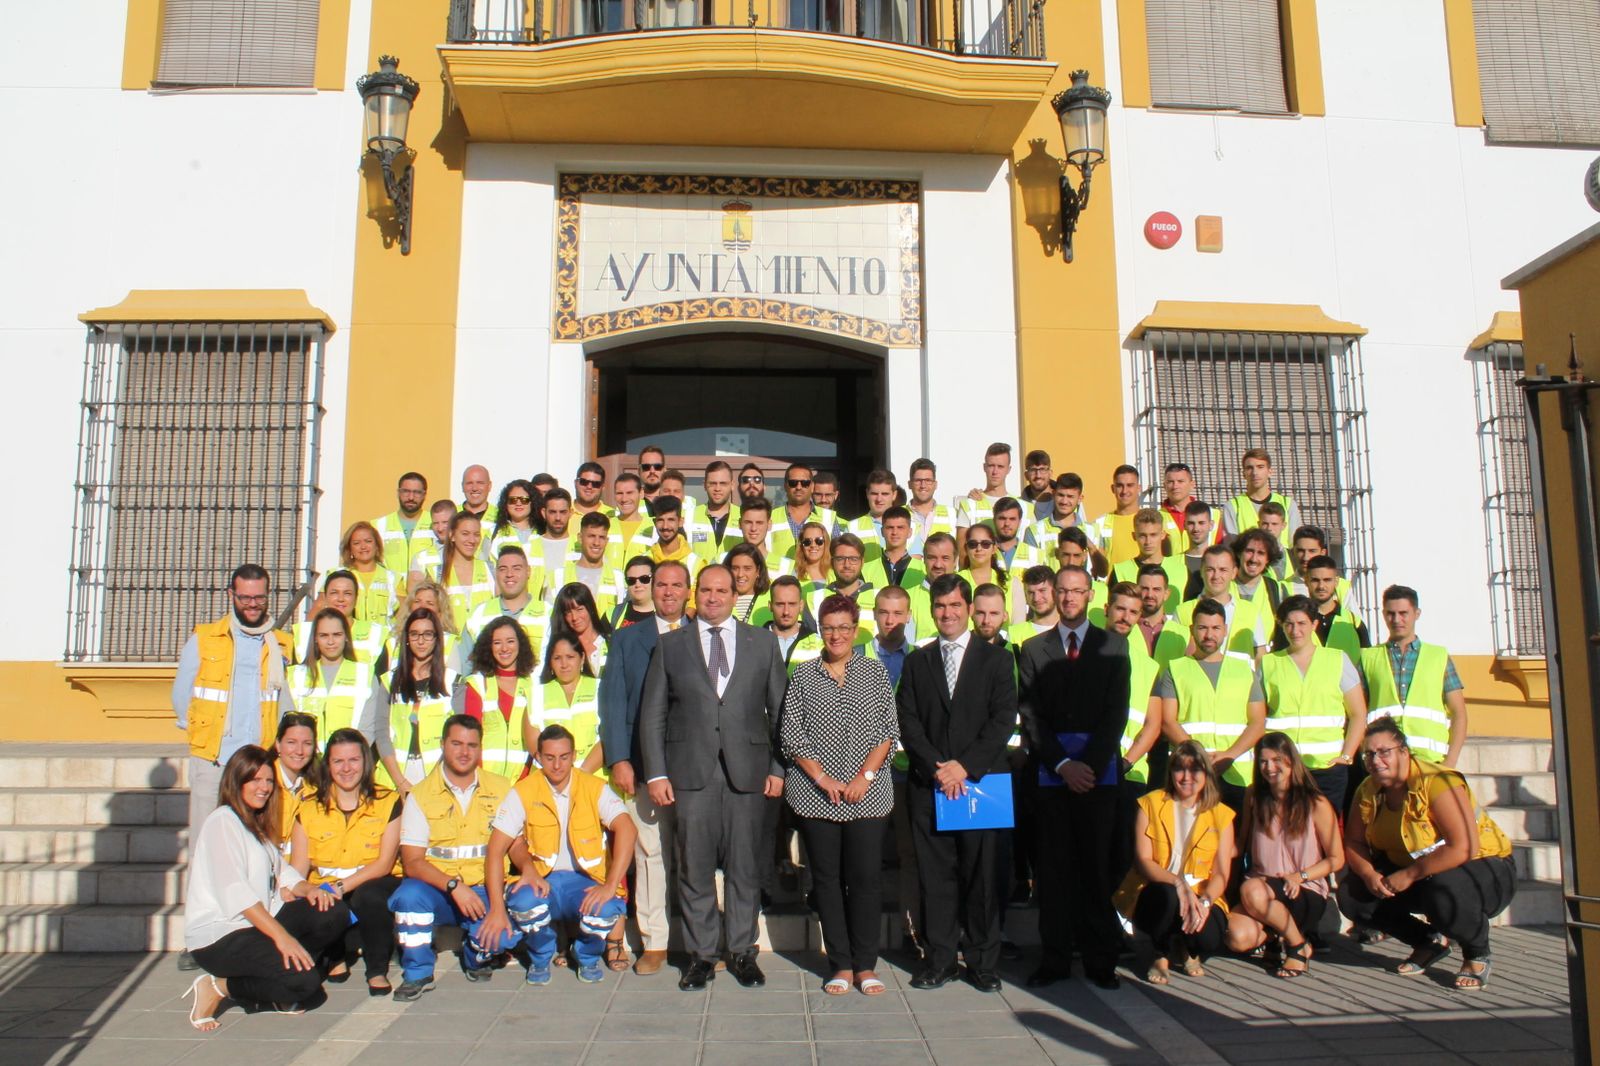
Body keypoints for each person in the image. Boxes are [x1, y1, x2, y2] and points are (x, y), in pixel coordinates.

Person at [638, 564, 788, 991]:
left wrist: (779, 767)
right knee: (694, 867)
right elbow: (653, 715)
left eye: (722, 590)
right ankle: (701, 955)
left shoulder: (762, 643)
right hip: (690, 773)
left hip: (749, 772)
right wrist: (657, 773)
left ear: (734, 594)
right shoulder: (671, 646)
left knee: (745, 866)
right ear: (694, 594)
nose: (714, 598)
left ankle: (742, 951)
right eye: (706, 590)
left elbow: (780, 712)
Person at [896, 574, 1018, 993]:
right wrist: (937, 767)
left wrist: (964, 767)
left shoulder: (998, 660)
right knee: (937, 877)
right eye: (939, 606)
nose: (947, 613)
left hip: (979, 785)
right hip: (930, 787)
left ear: (968, 608)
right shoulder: (917, 661)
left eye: (954, 605)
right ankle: (941, 959)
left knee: (982, 877)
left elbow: (1003, 719)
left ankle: (983, 963)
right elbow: (908, 722)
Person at [172, 563, 296, 971]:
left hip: (256, 763)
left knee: (258, 847)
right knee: (203, 848)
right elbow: (183, 693)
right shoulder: (204, 637)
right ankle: (197, 938)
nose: (252, 605)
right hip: (214, 760)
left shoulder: (279, 644)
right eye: (244, 597)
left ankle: (254, 924)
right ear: (231, 595)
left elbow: (284, 702)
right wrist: (203, 738)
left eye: (259, 598)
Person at [1338, 717, 1515, 990]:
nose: (1376, 760)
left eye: (1384, 751)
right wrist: (1368, 873)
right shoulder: (1368, 790)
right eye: (1369, 754)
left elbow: (1463, 847)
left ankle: (1476, 951)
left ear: (1404, 753)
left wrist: (1410, 874)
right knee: (1353, 893)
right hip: (1417, 871)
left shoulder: (1437, 781)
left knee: (1445, 888)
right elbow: (1354, 842)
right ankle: (1427, 942)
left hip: (1484, 869)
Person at [1017, 566, 1131, 990]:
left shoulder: (1114, 647)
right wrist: (1064, 765)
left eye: (1076, 591)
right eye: (1060, 591)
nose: (1068, 598)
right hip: (1052, 777)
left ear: (1089, 594)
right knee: (1054, 870)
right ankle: (1055, 959)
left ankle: (1101, 960)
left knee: (1096, 870)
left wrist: (1090, 765)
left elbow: (1115, 714)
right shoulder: (1033, 649)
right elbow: (1031, 714)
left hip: (1098, 779)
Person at [781, 594, 899, 996]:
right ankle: (841, 964)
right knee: (827, 881)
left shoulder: (874, 673)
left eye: (843, 627)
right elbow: (791, 735)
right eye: (829, 627)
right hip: (818, 797)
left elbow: (888, 730)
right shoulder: (804, 676)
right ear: (820, 629)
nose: (836, 635)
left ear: (855, 629)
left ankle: (866, 965)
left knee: (865, 880)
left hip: (868, 795)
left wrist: (865, 775)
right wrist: (822, 778)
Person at [182, 745, 349, 1029]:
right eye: (255, 780)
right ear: (237, 781)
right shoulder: (222, 822)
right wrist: (283, 938)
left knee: (333, 911)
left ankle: (284, 969)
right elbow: (238, 896)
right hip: (222, 934)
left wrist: (309, 890)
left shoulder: (253, 823)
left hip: (260, 921)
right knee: (306, 985)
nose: (264, 788)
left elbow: (283, 872)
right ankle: (220, 987)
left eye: (269, 781)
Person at [478, 725, 637, 986]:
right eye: (549, 758)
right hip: (543, 880)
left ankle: (587, 956)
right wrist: (496, 908)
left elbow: (627, 829)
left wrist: (610, 886)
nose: (557, 765)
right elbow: (495, 850)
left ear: (574, 755)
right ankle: (540, 956)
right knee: (523, 903)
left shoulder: (593, 787)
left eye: (564, 757)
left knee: (607, 907)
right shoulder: (523, 791)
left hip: (584, 881)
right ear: (538, 757)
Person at [387, 714, 524, 1000]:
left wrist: (530, 871)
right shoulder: (420, 795)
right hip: (439, 891)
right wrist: (453, 886)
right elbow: (412, 861)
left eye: (472, 745)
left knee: (502, 936)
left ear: (480, 748)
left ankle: (477, 957)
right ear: (442, 745)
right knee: (408, 896)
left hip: (485, 890)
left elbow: (516, 846)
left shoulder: (501, 789)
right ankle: (418, 972)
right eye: (457, 744)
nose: (464, 752)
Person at [597, 559, 690, 976]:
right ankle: (655, 941)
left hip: (694, 766)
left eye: (676, 585)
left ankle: (695, 938)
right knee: (650, 851)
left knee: (693, 854)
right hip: (641, 764)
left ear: (688, 591)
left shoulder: (704, 636)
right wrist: (619, 758)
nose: (668, 592)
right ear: (650, 589)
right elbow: (613, 702)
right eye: (661, 584)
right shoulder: (626, 640)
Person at [289, 728, 402, 995]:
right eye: (338, 761)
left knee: (369, 895)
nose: (346, 768)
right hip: (327, 890)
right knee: (320, 905)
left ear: (366, 762)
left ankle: (377, 970)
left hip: (372, 883)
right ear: (328, 765)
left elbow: (384, 863)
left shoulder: (388, 801)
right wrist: (298, 890)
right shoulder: (308, 809)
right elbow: (298, 869)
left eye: (353, 760)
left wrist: (339, 887)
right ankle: (335, 956)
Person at [1223, 733, 1346, 978]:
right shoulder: (1254, 796)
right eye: (1263, 761)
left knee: (1252, 891)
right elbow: (1241, 844)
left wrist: (1300, 876)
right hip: (1261, 885)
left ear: (1291, 761)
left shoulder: (1316, 803)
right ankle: (1277, 937)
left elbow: (1336, 859)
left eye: (1277, 760)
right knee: (1236, 937)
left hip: (1302, 888)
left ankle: (1297, 947)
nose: (1270, 768)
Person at [1115, 740, 1236, 984]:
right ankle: (1161, 952)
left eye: (1195, 769)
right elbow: (1143, 861)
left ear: (1206, 774)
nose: (1187, 776)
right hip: (1158, 888)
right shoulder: (1149, 804)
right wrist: (1179, 885)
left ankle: (1189, 948)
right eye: (1180, 768)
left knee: (1209, 939)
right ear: (1170, 772)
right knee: (1169, 896)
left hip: (1200, 892)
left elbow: (1222, 874)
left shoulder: (1222, 814)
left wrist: (1205, 900)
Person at [1158, 599, 1267, 815]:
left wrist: (1229, 756)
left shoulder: (1244, 669)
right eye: (1202, 628)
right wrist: (1200, 758)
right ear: (1192, 630)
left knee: (1235, 842)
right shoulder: (1175, 669)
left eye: (1216, 628)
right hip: (1190, 773)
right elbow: (1168, 721)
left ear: (1225, 630)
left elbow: (1257, 722)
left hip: (1237, 774)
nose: (1209, 635)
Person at [1261, 596, 1367, 812]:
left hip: (1327, 768)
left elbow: (1358, 714)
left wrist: (1346, 756)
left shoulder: (1338, 659)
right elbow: (1257, 715)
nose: (1295, 630)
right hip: (1284, 768)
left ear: (1314, 625)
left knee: (1324, 837)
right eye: (1289, 624)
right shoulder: (1268, 663)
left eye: (1301, 623)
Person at [1360, 586, 1467, 767]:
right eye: (1390, 614)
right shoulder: (1367, 658)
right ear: (1384, 614)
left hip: (1431, 761)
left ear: (1417, 613)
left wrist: (1450, 761)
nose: (1396, 620)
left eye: (1403, 613)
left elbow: (1459, 713)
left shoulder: (1438, 657)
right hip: (1383, 762)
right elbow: (1357, 713)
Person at [361, 608, 458, 793]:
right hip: (394, 777)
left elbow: (457, 737)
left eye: (428, 634)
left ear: (437, 639)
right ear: (406, 639)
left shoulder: (454, 682)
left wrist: (431, 783)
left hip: (439, 778)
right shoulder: (389, 681)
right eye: (415, 634)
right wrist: (401, 783)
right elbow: (382, 734)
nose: (421, 641)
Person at [454, 616, 540, 780]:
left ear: (520, 645)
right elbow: (471, 738)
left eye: (510, 641)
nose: (504, 648)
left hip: (523, 785)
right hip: (484, 783)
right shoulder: (477, 684)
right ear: (489, 647)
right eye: (497, 642)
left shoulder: (534, 687)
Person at [289, 607, 379, 741]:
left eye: (337, 634)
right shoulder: (295, 676)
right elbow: (288, 729)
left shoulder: (366, 675)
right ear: (315, 639)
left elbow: (368, 730)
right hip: (306, 760)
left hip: (349, 759)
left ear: (346, 637)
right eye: (324, 635)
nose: (331, 641)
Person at [461, 546, 550, 672]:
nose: (509, 574)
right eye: (503, 569)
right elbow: (464, 666)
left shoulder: (549, 614)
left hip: (535, 691)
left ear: (528, 571)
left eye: (516, 568)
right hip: (490, 691)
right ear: (496, 573)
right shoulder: (478, 615)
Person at [1177, 544, 1269, 660]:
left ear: (1234, 573)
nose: (1216, 576)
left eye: (1223, 570)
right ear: (1201, 572)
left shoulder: (1251, 611)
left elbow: (1260, 656)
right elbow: (1176, 657)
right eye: (1210, 569)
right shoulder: (1182, 612)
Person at [539, 633, 606, 778]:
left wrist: (580, 776)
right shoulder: (537, 694)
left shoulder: (602, 688)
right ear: (550, 662)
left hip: (595, 781)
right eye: (557, 658)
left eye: (570, 657)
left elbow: (609, 735)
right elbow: (534, 741)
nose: (564, 664)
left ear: (582, 658)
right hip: (551, 783)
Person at [296, 571, 388, 665]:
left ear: (356, 598)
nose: (341, 599)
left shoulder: (376, 634)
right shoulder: (304, 633)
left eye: (347, 593)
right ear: (326, 597)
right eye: (334, 593)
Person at [1110, 508, 1187, 613]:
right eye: (1142, 536)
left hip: (1171, 629)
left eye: (1153, 535)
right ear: (1134, 536)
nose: (1148, 542)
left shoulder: (1181, 570)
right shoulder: (1120, 571)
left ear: (1163, 535)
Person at [428, 512, 494, 631]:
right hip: (450, 647)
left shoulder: (490, 569)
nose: (472, 540)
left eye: (476, 534)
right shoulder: (436, 573)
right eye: (465, 534)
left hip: (483, 646)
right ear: (452, 535)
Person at [332, 521, 405, 625]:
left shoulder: (394, 579)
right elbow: (320, 608)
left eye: (368, 541)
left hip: (383, 639)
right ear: (350, 549)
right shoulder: (335, 576)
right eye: (356, 543)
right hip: (347, 638)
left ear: (376, 545)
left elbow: (404, 617)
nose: (363, 547)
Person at [1222, 449, 1301, 545]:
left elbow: (1295, 543)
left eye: (1260, 467)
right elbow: (1232, 547)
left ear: (1270, 472)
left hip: (1282, 560)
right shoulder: (1233, 506)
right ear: (1243, 474)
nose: (1255, 472)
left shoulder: (1288, 504)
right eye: (1249, 468)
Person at [551, 511, 620, 618]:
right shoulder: (559, 576)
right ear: (579, 538)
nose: (596, 543)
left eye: (601, 537)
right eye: (591, 536)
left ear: (607, 541)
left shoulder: (618, 578)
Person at [269, 714, 319, 856]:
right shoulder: (262, 783)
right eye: (291, 742)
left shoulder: (317, 789)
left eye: (307, 744)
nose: (299, 751)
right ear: (278, 744)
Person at [1303, 554, 1369, 658]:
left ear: (1336, 581)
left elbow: (1367, 661)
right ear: (1306, 581)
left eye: (1327, 580)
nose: (1321, 586)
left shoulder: (1353, 622)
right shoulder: (1296, 621)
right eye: (1315, 580)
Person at [371, 472, 436, 576]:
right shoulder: (378, 525)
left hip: (425, 590)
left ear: (424, 495)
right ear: (398, 493)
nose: (411, 497)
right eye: (406, 491)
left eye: (417, 492)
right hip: (390, 590)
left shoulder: (436, 523)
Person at [389, 578, 461, 669]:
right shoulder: (394, 640)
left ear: (440, 612)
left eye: (429, 603)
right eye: (417, 601)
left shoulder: (448, 643)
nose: (422, 606)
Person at [771, 462, 834, 562]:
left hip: (819, 577)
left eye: (805, 483)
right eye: (793, 483)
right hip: (780, 577)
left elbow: (837, 554)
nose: (799, 487)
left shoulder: (830, 518)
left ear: (812, 486)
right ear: (785, 486)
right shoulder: (770, 517)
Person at [906, 532, 960, 644]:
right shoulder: (909, 598)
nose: (938, 565)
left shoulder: (969, 595)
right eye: (932, 558)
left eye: (945, 558)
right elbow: (908, 646)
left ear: (955, 561)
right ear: (924, 560)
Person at [551, 582, 613, 677]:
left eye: (579, 609)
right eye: (568, 612)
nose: (574, 617)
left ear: (590, 608)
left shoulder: (610, 643)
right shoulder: (560, 648)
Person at [1087, 465, 1144, 567]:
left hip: (1143, 582)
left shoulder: (1150, 522)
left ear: (1139, 488)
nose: (1124, 491)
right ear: (1113, 489)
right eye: (1119, 486)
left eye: (1130, 485)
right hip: (1112, 582)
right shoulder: (1100, 524)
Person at [689, 460, 741, 565]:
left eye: (723, 483)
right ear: (704, 485)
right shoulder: (690, 515)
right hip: (699, 580)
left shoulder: (743, 516)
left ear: (732, 485)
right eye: (712, 484)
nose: (717, 488)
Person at [483, 479, 543, 570]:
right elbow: (484, 566)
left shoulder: (543, 531)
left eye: (524, 500)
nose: (518, 503)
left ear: (532, 502)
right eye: (513, 500)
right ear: (506, 504)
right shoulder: (493, 533)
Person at [955, 442, 1013, 535]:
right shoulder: (969, 504)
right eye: (991, 466)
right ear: (984, 467)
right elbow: (961, 546)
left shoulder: (1022, 506)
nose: (995, 471)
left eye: (1000, 466)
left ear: (1009, 469)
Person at [1027, 472, 1090, 556]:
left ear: (1080, 499)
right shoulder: (1034, 531)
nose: (1064, 501)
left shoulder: (1091, 532)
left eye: (1070, 496)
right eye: (1060, 495)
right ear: (1053, 494)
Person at [1159, 464, 1217, 553]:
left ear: (1192, 484)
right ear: (1164, 486)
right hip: (1171, 566)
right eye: (1170, 482)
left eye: (1180, 481)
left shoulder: (1214, 515)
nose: (1175, 486)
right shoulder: (1158, 517)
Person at [863, 506, 924, 592]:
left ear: (910, 532)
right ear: (882, 532)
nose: (895, 532)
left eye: (900, 527)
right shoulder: (865, 570)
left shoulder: (922, 570)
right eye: (890, 528)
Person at [844, 469, 898, 561]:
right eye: (874, 494)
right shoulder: (852, 528)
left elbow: (915, 563)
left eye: (885, 494)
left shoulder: (911, 525)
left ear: (894, 495)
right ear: (867, 494)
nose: (879, 499)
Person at [905, 458, 956, 556]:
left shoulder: (953, 514)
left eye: (928, 480)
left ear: (935, 484)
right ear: (909, 484)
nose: (923, 485)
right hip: (909, 572)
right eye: (918, 481)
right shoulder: (899, 515)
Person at [1232, 529, 1286, 617]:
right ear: (1239, 553)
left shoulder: (1275, 588)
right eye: (1249, 551)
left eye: (1261, 553)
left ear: (1268, 559)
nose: (1254, 559)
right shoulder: (1224, 584)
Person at [610, 472, 656, 564]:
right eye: (619, 493)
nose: (624, 499)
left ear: (641, 493)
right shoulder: (606, 526)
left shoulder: (654, 527)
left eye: (629, 493)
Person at [725, 541, 773, 624]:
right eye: (735, 568)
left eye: (747, 568)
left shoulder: (773, 597)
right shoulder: (719, 599)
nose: (740, 574)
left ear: (758, 571)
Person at [536, 487, 577, 582]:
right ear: (543, 513)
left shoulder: (582, 547)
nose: (558, 518)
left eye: (563, 512)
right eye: (552, 512)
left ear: (571, 513)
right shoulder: (529, 548)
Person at [613, 555, 656, 628]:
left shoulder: (667, 616)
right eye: (631, 580)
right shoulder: (612, 614)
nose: (637, 584)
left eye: (644, 579)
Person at [792, 520, 834, 591]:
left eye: (819, 541)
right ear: (801, 546)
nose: (813, 545)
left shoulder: (835, 574)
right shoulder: (793, 575)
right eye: (807, 542)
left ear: (826, 544)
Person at [1018, 564, 1059, 636]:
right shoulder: (1015, 633)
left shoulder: (1073, 631)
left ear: (1055, 590)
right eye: (1031, 593)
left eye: (1042, 590)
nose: (1036, 598)